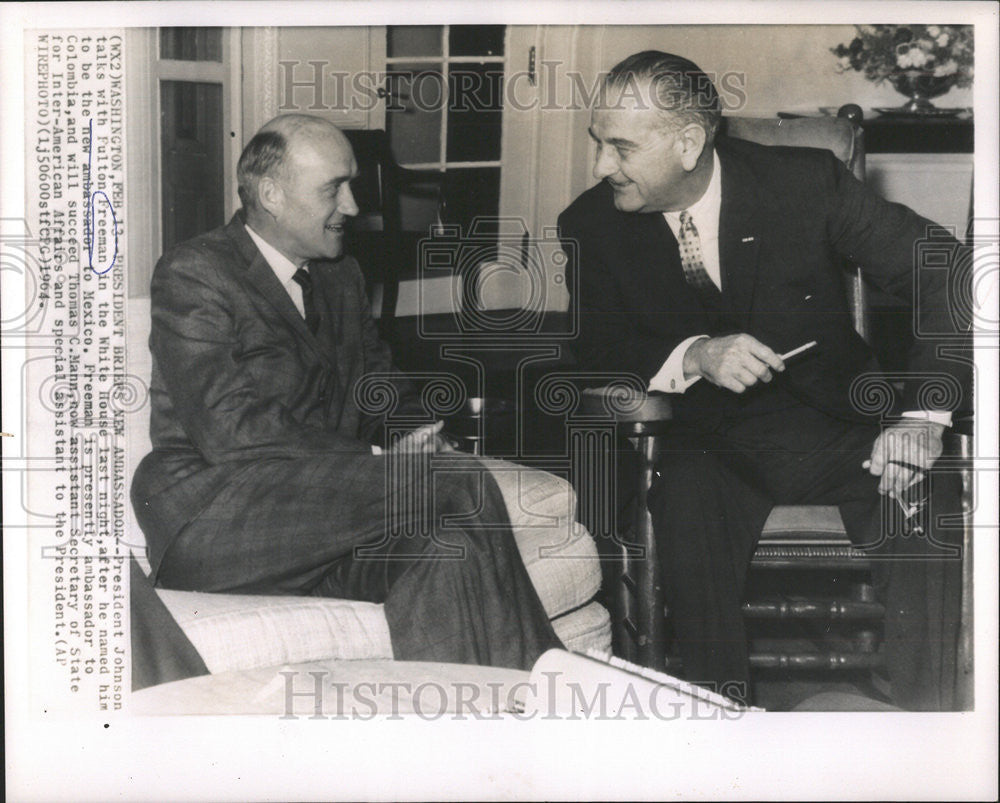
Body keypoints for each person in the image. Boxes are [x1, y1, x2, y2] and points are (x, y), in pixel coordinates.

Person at [558, 51, 971, 710]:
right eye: (597, 142)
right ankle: (718, 731)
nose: (603, 165)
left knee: (928, 496)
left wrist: (921, 420)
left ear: (689, 143)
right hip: (706, 445)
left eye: (622, 147)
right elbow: (597, 353)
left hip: (840, 427)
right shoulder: (591, 224)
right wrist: (694, 355)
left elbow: (945, 270)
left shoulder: (805, 184)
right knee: (683, 502)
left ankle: (935, 724)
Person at [131, 113, 562, 671]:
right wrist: (382, 460)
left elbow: (380, 390)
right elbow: (231, 430)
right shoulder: (196, 273)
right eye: (335, 187)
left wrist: (417, 435)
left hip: (319, 524)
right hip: (215, 519)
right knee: (457, 484)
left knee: (441, 550)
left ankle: (466, 739)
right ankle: (554, 697)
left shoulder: (340, 277)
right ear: (271, 194)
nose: (355, 206)